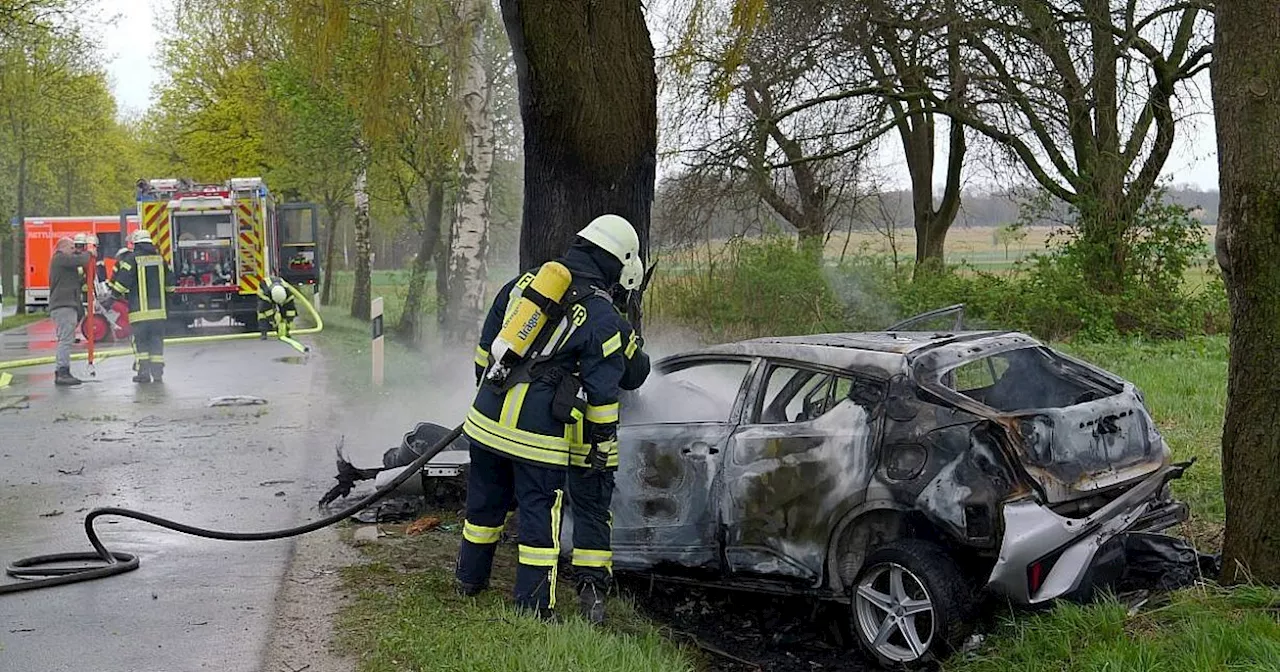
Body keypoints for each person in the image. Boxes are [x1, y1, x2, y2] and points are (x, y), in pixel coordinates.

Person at [456, 214, 645, 621]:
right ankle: (533, 607)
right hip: (536, 437)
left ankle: (469, 581)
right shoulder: (602, 315)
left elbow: (485, 350)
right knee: (539, 517)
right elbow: (603, 395)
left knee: (484, 505)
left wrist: (490, 396)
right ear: (617, 263)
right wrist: (601, 448)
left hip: (486, 418)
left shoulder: (526, 284)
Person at [108, 229, 173, 383]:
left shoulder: (132, 259)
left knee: (141, 341)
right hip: (158, 312)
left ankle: (143, 373)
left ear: (136, 243)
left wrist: (113, 297)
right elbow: (171, 285)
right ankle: (157, 373)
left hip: (139, 312)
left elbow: (122, 283)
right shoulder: (160, 259)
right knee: (156, 341)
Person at [49, 237, 92, 386]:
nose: (75, 250)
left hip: (67, 305)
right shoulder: (60, 259)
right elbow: (81, 260)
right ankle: (62, 372)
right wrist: (90, 253)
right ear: (62, 248)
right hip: (63, 305)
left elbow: (76, 280)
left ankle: (62, 371)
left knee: (66, 339)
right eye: (72, 248)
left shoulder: (65, 265)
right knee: (66, 340)